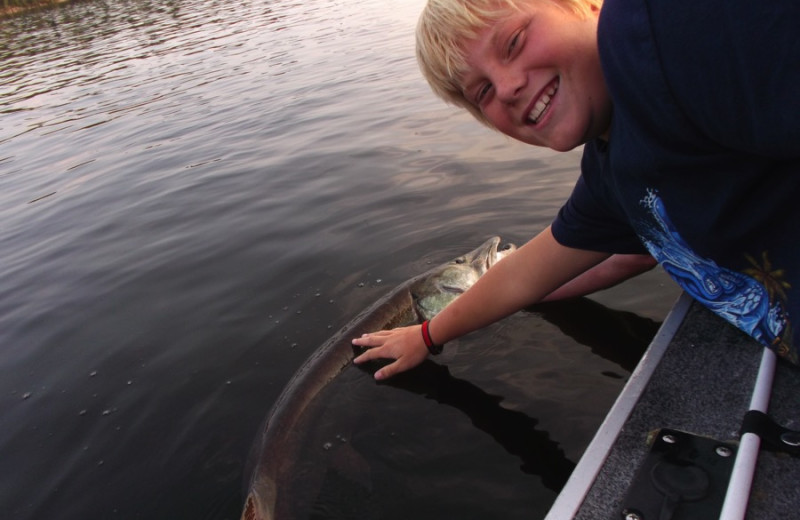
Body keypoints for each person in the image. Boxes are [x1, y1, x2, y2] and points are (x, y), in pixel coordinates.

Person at [353, 0, 800, 381]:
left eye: (514, 42)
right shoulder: (611, 176)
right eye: (482, 91)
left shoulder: (662, 31)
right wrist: (427, 335)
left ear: (584, 4)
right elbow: (532, 274)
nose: (507, 88)